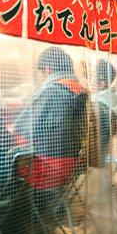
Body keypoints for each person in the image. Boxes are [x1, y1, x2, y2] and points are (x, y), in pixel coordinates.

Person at [13, 47, 88, 223]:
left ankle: (24, 226)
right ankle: (48, 213)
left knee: (4, 162)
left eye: (41, 73)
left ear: (47, 70)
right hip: (71, 169)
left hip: (45, 169)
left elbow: (22, 130)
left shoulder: (52, 92)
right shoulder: (80, 92)